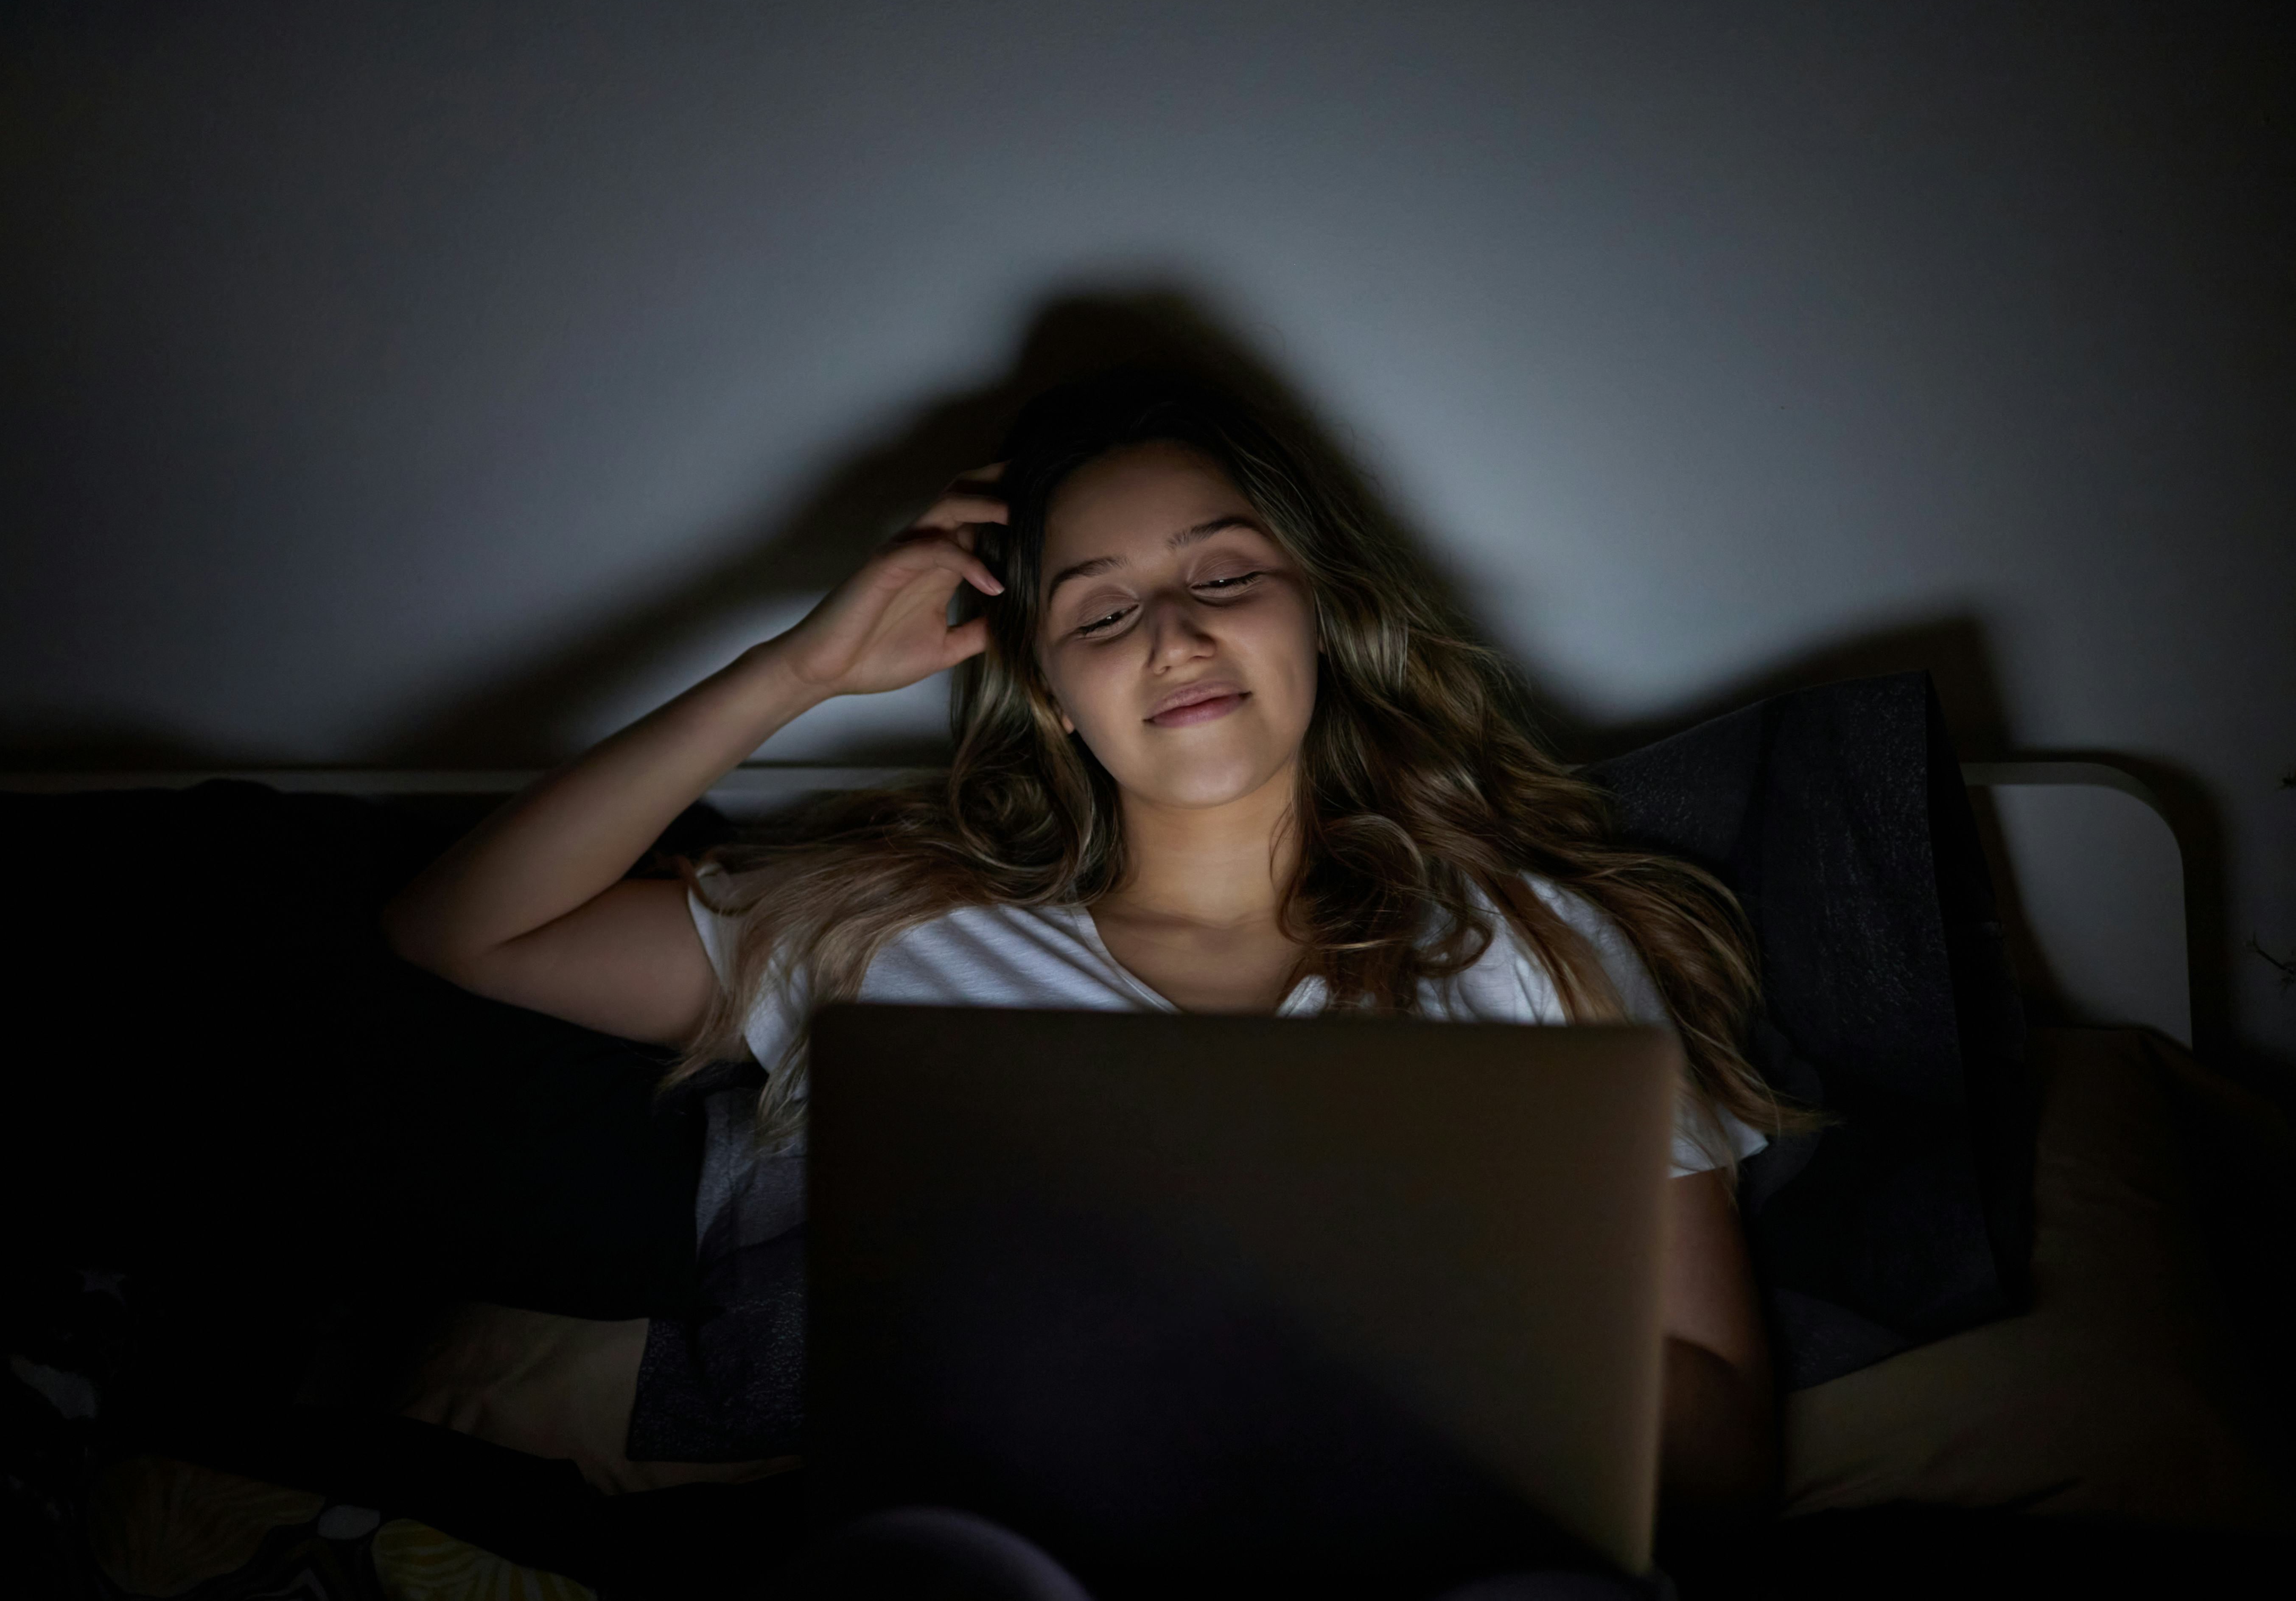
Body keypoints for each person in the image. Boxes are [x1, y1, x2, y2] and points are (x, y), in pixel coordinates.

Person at [383, 371, 1798, 1596]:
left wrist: (1418, 1307)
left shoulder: (1531, 946)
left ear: (1319, 609)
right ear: (1048, 688)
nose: (1175, 638)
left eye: (1225, 575)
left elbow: (1724, 1451)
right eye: (1100, 611)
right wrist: (799, 669)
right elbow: (468, 933)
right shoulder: (895, 936)